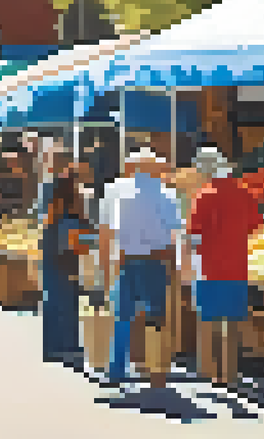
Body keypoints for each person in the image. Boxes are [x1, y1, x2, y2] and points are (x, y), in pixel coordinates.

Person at [100, 148, 184, 392]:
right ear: (154, 169)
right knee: (156, 318)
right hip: (156, 261)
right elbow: (175, 233)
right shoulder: (166, 195)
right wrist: (176, 265)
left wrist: (106, 267)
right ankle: (155, 370)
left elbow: (107, 232)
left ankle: (116, 369)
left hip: (126, 260)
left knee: (122, 317)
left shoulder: (117, 192)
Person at [186, 147, 262, 386]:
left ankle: (208, 373)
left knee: (208, 321)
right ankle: (229, 375)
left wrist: (187, 257)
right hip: (237, 267)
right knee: (232, 322)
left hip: (208, 267)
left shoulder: (204, 195)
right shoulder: (244, 194)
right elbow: (254, 226)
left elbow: (194, 234)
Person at [41, 176, 92, 366]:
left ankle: (54, 347)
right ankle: (67, 347)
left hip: (54, 266)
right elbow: (74, 245)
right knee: (66, 306)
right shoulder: (68, 220)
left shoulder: (52, 218)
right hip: (64, 266)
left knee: (55, 305)